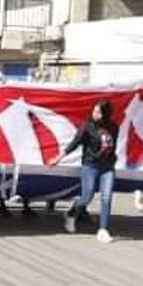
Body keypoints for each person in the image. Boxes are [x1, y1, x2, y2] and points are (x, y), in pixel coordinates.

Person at [54, 99, 119, 244]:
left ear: (106, 114)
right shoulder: (87, 127)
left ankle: (103, 230)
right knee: (86, 197)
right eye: (94, 111)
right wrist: (59, 157)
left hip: (108, 167)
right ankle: (70, 213)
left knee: (106, 197)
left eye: (99, 112)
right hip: (90, 166)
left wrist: (113, 159)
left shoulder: (114, 127)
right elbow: (74, 143)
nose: (95, 114)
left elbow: (113, 145)